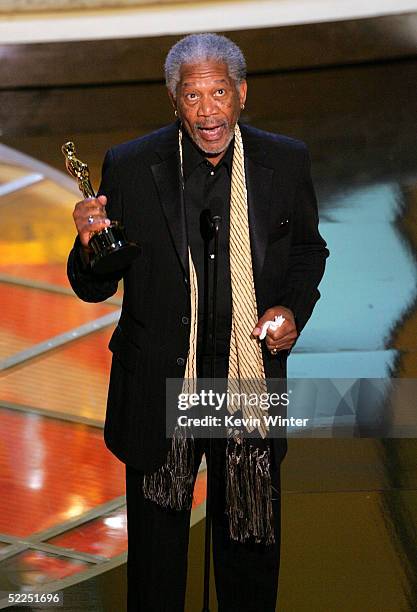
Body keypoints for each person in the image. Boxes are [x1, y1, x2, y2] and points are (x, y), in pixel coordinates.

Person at [67, 33, 328, 612]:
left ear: (241, 93)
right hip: (161, 390)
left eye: (218, 93)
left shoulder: (285, 161)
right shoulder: (132, 166)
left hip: (247, 389)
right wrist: (87, 247)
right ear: (173, 100)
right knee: (157, 575)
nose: (207, 111)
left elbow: (309, 252)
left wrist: (290, 311)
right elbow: (97, 284)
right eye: (192, 96)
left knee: (249, 564)